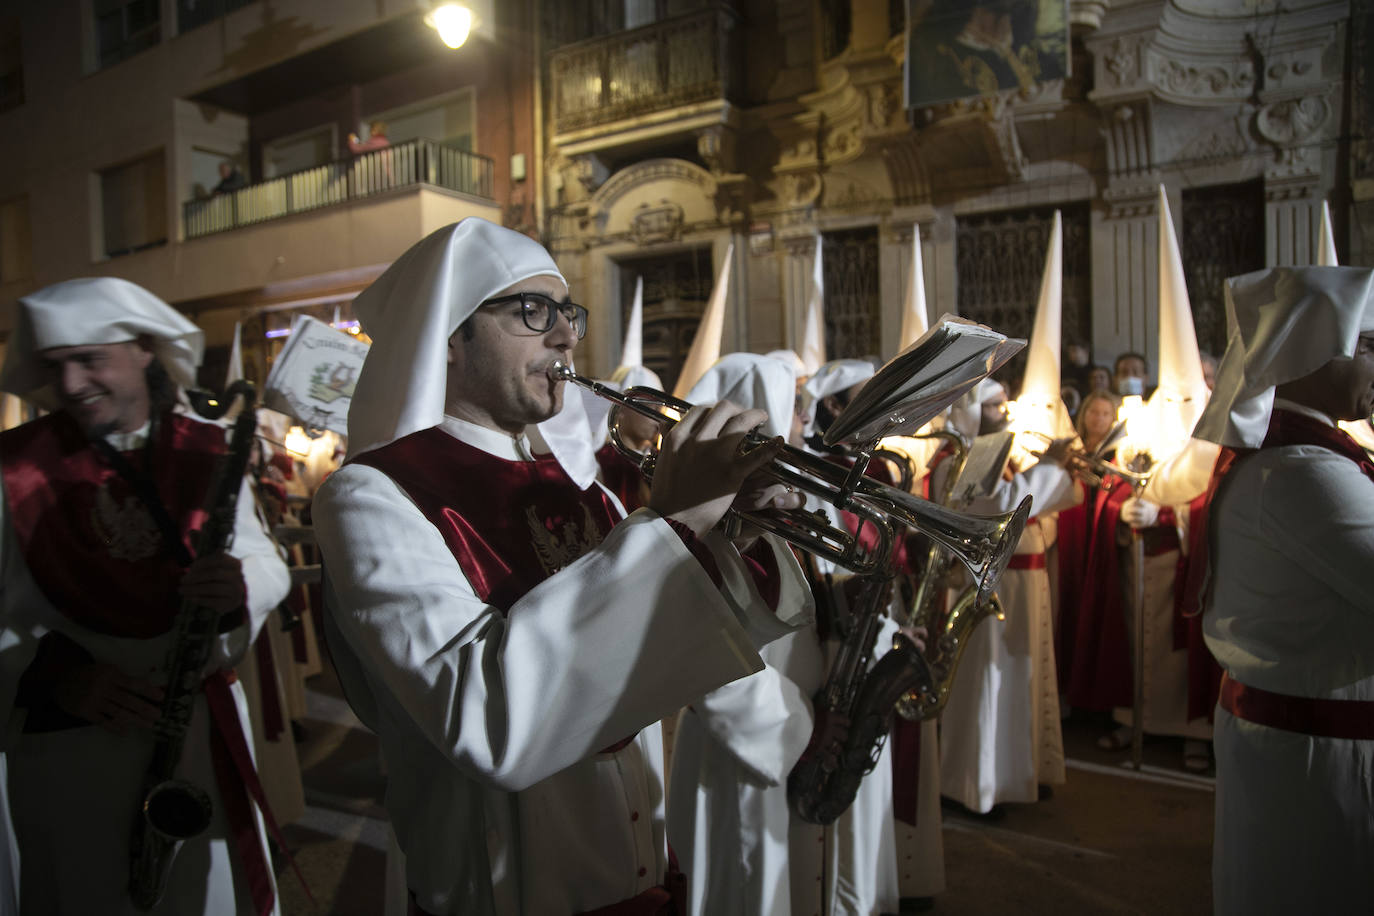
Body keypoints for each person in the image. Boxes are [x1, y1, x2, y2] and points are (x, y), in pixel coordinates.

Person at [311, 218, 813, 916]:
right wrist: (673, 524)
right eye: (530, 311)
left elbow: (689, 651)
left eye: (566, 311)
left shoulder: (583, 485)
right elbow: (489, 723)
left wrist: (741, 529)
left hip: (638, 872)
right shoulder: (372, 495)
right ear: (449, 337)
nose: (567, 335)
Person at [0, 277, 291, 914]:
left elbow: (263, 559)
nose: (71, 384)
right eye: (56, 367)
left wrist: (238, 587)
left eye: (90, 359)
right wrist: (53, 678)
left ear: (145, 350)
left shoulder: (205, 447)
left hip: (195, 725)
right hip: (77, 739)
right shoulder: (15, 470)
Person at [1190, 265, 1374, 913]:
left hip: (1308, 747)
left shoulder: (1301, 457)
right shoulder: (1303, 472)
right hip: (1321, 763)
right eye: (1369, 347)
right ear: (1315, 357)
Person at [667, 352, 825, 916]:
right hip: (746, 738)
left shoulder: (781, 499)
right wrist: (794, 723)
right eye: (796, 406)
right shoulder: (702, 506)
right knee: (744, 881)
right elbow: (698, 645)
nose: (807, 419)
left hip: (786, 722)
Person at [937, 378, 1077, 814]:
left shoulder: (1002, 455)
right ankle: (978, 786)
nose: (1005, 412)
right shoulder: (961, 459)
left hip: (1024, 584)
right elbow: (995, 510)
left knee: (1022, 683)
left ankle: (1020, 775)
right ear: (973, 411)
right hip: (990, 585)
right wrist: (1050, 467)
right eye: (995, 405)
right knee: (991, 683)